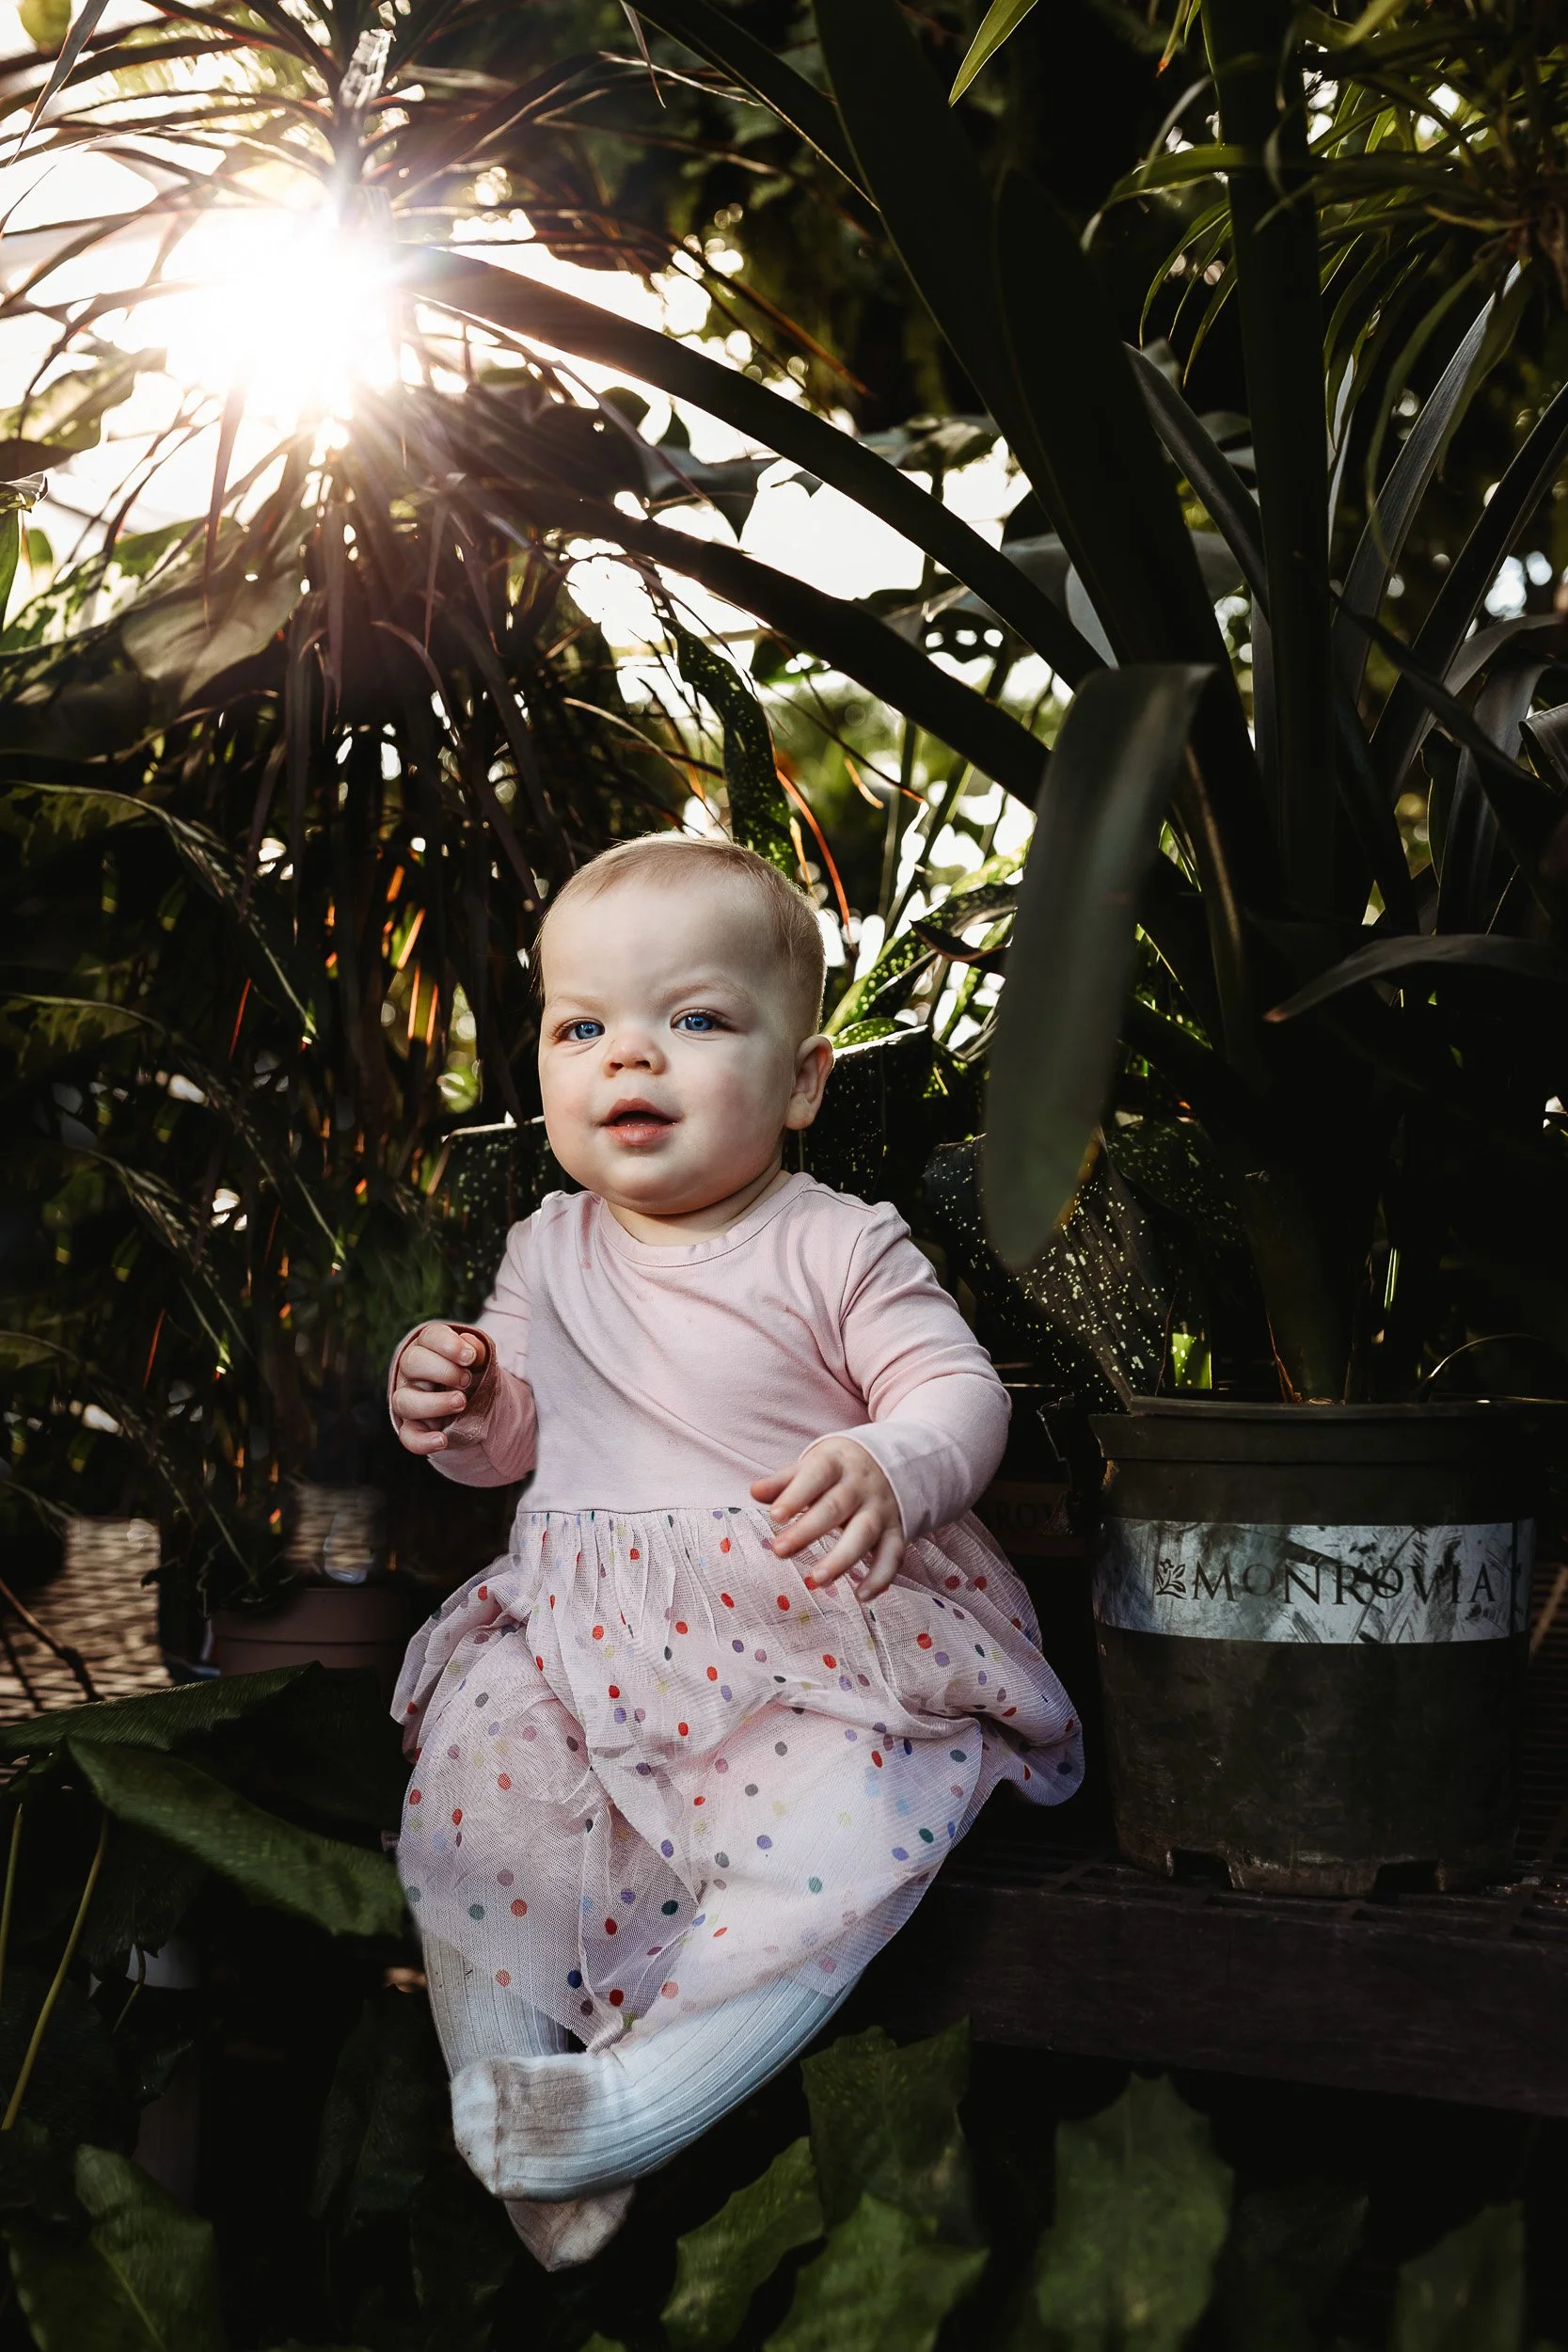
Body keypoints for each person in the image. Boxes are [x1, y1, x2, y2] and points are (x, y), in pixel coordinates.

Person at [388, 834, 1082, 2268]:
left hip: (802, 1637)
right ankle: (510, 2104)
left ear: (803, 1079)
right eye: (580, 1028)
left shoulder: (836, 1245)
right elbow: (509, 1438)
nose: (628, 1057)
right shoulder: (545, 1249)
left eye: (694, 1019)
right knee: (473, 1789)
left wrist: (890, 1463)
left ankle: (629, 2105)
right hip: (581, 1641)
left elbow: (958, 1395)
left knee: (834, 1838)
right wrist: (457, 1397)